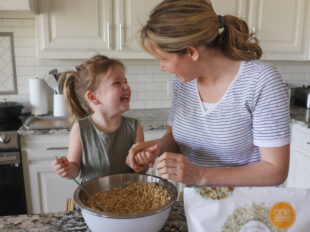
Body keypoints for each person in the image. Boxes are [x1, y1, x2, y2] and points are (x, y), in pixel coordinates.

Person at [126, 0, 290, 187]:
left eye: (164, 59)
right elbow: (174, 139)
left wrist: (199, 175)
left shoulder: (261, 81)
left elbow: (275, 170)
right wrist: (154, 149)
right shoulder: (184, 83)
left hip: (246, 209)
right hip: (196, 204)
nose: (162, 67)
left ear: (191, 52)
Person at [53, 55, 148, 184]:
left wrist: (143, 163)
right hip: (92, 200)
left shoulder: (135, 127)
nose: (126, 86)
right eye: (117, 83)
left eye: (125, 82)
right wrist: (66, 169)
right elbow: (74, 170)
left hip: (129, 200)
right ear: (93, 97)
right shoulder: (80, 130)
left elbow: (141, 172)